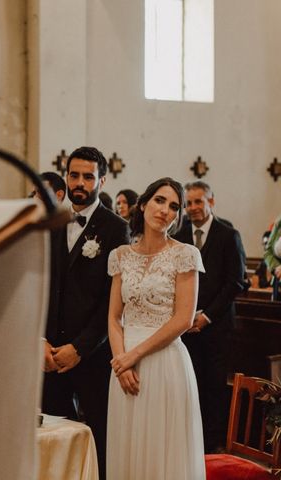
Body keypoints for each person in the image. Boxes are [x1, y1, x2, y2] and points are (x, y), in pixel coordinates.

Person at [106, 177, 205, 480]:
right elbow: (113, 317)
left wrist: (132, 355)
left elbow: (183, 319)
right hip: (124, 367)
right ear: (144, 204)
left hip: (165, 363)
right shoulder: (121, 256)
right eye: (160, 201)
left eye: (174, 206)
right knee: (129, 451)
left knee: (163, 453)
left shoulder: (185, 254)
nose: (166, 210)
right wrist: (122, 364)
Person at [42, 146, 130, 477]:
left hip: (92, 357)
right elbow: (40, 287)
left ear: (102, 180)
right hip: (49, 355)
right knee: (52, 439)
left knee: (98, 439)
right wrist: (40, 340)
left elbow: (113, 301)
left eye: (88, 176)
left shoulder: (115, 229)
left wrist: (79, 348)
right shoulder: (49, 223)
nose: (81, 183)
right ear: (66, 177)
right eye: (75, 175)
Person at [173, 181, 247, 453]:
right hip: (185, 325)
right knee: (190, 383)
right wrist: (187, 315)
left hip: (217, 325)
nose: (192, 208)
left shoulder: (228, 235)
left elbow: (235, 282)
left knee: (214, 385)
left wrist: (207, 317)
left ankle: (212, 443)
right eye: (188, 203)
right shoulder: (179, 235)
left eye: (197, 202)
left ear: (211, 202)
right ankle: (190, 438)